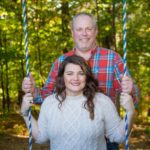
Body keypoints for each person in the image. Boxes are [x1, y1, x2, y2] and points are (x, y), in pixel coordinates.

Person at [22, 12, 139, 149]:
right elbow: (48, 98)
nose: (84, 33)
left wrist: (131, 91)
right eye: (79, 29)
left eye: (89, 29)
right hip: (66, 134)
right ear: (72, 32)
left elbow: (131, 100)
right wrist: (33, 91)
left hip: (107, 137)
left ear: (96, 31)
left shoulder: (113, 59)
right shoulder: (61, 62)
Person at [21, 55, 135, 150]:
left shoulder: (102, 101)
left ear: (87, 76)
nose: (75, 78)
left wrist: (130, 112)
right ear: (62, 77)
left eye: (81, 73)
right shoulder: (50, 103)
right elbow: (41, 137)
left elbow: (118, 137)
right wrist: (26, 115)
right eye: (69, 73)